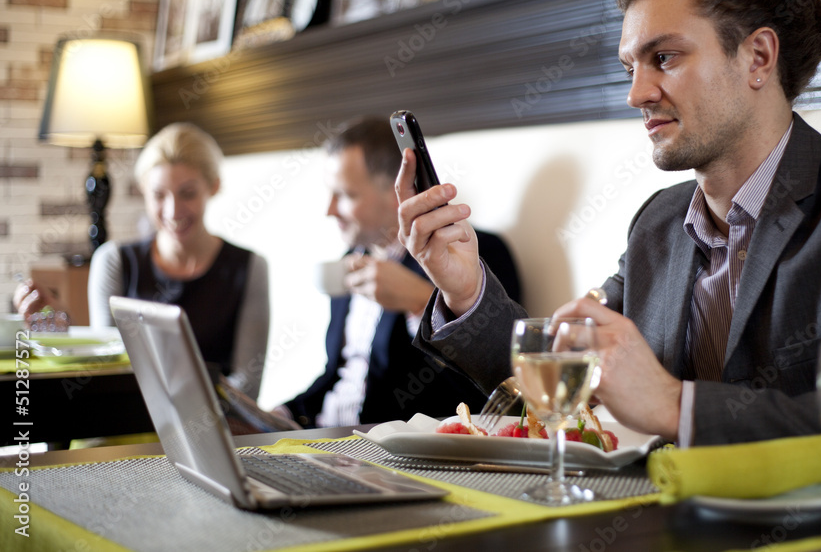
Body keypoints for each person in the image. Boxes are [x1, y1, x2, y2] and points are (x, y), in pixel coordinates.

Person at [395, 0, 821, 518]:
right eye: (631, 65)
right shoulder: (657, 224)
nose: (637, 93)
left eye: (665, 58)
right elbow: (560, 382)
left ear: (758, 57)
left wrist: (676, 405)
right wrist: (465, 287)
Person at [275, 117, 521, 427]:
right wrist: (280, 414)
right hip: (325, 436)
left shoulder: (475, 254)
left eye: (346, 195)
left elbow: (494, 392)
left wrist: (420, 303)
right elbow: (338, 373)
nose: (329, 210)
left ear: (396, 193)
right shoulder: (351, 258)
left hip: (388, 451)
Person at [14, 123, 270, 400]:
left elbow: (247, 387)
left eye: (188, 193)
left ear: (213, 186)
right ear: (143, 192)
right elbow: (107, 368)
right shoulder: (114, 261)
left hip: (215, 424)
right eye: (159, 195)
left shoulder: (248, 267)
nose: (173, 211)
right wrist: (64, 328)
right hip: (127, 416)